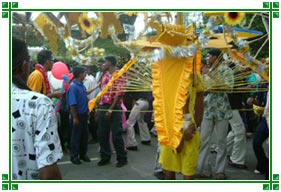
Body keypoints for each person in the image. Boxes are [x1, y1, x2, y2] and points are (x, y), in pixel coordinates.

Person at [12, 37, 63, 180]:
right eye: (52, 60)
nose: (53, 63)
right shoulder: (37, 77)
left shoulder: (42, 75)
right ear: (23, 64)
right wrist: (53, 95)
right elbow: (31, 102)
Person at [159, 73, 204, 180]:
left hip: (188, 126)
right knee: (169, 171)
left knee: (188, 171)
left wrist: (192, 127)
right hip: (170, 128)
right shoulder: (165, 75)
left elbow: (200, 110)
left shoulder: (195, 79)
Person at [197, 48, 233, 180]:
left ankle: (220, 171)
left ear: (217, 58)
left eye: (209, 56)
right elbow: (205, 89)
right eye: (207, 56)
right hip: (208, 110)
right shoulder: (207, 71)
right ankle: (202, 168)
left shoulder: (226, 70)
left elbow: (229, 88)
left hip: (222, 111)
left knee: (221, 142)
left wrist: (210, 77)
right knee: (204, 140)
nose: (207, 59)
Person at [97, 56, 128, 168]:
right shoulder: (104, 75)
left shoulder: (119, 74)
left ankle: (122, 158)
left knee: (116, 134)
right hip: (103, 106)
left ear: (110, 63)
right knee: (102, 134)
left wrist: (111, 109)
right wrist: (98, 107)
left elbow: (119, 94)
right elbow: (102, 92)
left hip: (114, 107)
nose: (102, 64)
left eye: (104, 62)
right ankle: (105, 157)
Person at [67, 66, 91, 165]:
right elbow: (73, 104)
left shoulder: (82, 85)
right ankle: (74, 156)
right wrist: (75, 117)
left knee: (84, 136)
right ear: (80, 74)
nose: (85, 75)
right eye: (84, 73)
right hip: (77, 115)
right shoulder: (73, 87)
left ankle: (83, 154)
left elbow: (85, 96)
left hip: (84, 114)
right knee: (76, 137)